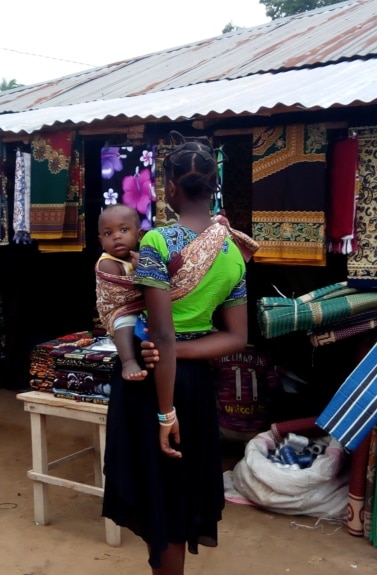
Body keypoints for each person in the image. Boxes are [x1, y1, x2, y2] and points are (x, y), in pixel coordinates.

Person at [101, 135, 258, 574]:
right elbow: (236, 337)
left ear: (169, 187)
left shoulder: (157, 243)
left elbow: (164, 336)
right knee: (177, 493)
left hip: (156, 384)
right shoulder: (232, 251)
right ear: (214, 187)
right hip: (194, 380)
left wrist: (164, 414)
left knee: (159, 499)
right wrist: (189, 351)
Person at [94, 203, 148, 381]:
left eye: (124, 230)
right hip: (119, 309)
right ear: (101, 241)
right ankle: (128, 362)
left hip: (141, 307)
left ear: (139, 234)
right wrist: (141, 272)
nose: (117, 236)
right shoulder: (108, 262)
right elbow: (123, 291)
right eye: (108, 233)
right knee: (124, 322)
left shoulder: (140, 255)